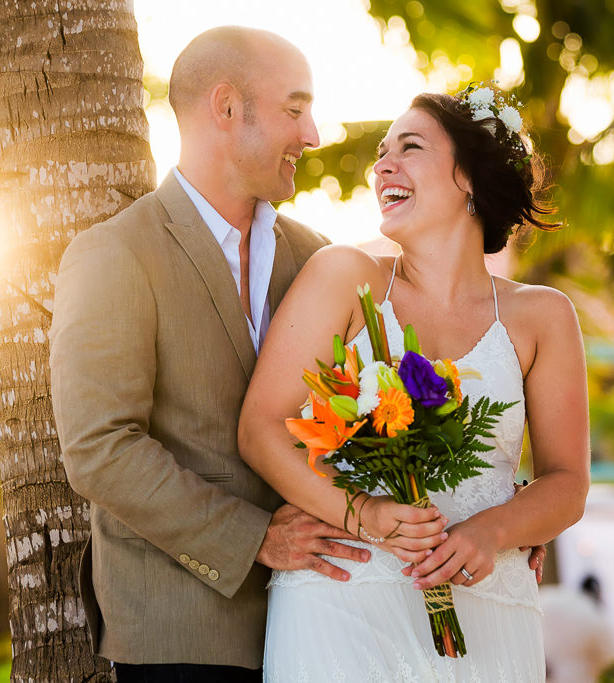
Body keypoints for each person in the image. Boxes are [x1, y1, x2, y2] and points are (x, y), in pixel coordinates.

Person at [49, 26, 447, 682]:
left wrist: (494, 513)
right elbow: (99, 447)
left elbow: (399, 401)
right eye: (296, 109)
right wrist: (254, 538)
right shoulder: (114, 253)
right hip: (181, 634)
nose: (313, 134)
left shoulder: (319, 259)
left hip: (327, 624)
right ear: (226, 108)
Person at [239, 88, 590, 681]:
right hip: (343, 599)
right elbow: (262, 429)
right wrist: (367, 515)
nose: (382, 166)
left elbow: (568, 483)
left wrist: (496, 528)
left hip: (490, 610)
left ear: (471, 178)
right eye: (381, 152)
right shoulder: (345, 277)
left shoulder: (542, 317)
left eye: (411, 146)